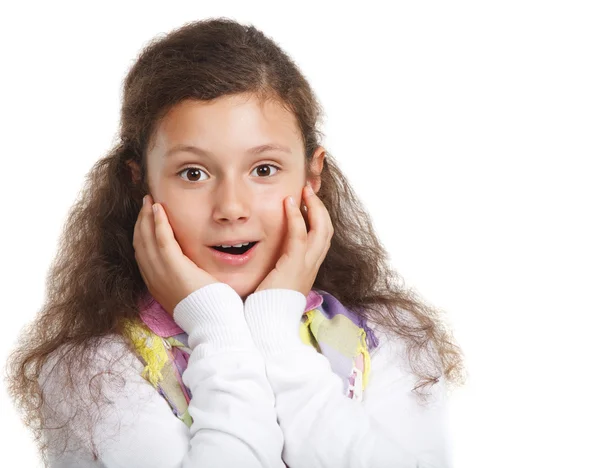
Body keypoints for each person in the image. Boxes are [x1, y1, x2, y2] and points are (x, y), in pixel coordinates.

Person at [5, 17, 465, 467]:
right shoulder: (94, 370)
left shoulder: (392, 339)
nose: (231, 207)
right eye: (193, 173)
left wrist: (275, 330)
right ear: (139, 182)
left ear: (312, 174)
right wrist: (216, 325)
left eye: (263, 170)